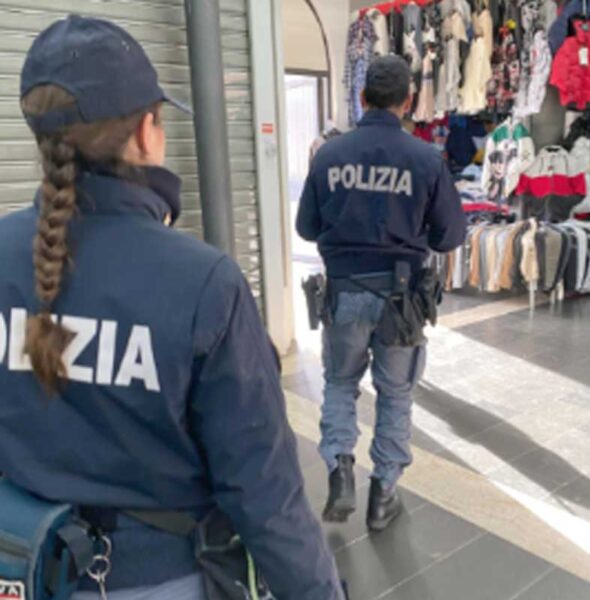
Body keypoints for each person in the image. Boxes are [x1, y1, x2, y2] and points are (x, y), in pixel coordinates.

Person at [0, 16, 342, 599]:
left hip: (25, 567)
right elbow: (264, 491)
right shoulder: (203, 283)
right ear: (145, 133)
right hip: (154, 578)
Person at [296, 55, 467, 532]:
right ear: (408, 102)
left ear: (362, 97)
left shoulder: (328, 156)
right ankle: (383, 494)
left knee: (340, 384)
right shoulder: (426, 160)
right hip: (402, 298)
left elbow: (306, 226)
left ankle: (339, 470)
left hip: (344, 292)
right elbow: (449, 236)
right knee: (395, 394)